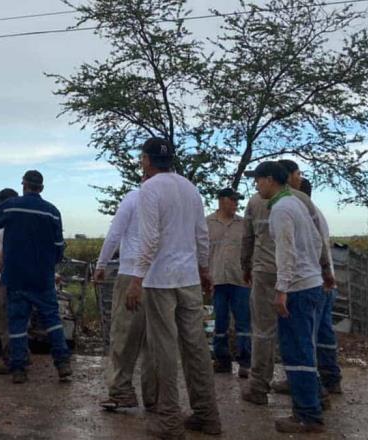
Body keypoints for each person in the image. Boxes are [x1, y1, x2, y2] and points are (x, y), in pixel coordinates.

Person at [127, 138, 221, 439]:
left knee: (164, 348)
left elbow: (150, 239)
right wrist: (204, 269)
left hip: (160, 280)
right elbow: (201, 235)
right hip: (188, 278)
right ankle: (208, 415)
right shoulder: (189, 188)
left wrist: (136, 279)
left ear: (147, 160)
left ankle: (169, 420)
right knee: (195, 346)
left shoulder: (149, 189)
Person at [241, 164, 333, 405]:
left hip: (267, 272)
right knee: (303, 335)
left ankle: (258, 386)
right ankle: (313, 389)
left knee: (263, 332)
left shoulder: (256, 203)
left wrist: (245, 266)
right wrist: (325, 268)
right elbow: (318, 238)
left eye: (259, 179)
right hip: (298, 277)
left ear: (270, 179)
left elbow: (247, 238)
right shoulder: (302, 199)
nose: (256, 184)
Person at [0, 170, 72, 384]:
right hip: (43, 278)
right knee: (52, 320)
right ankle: (62, 363)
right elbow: (59, 248)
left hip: (15, 277)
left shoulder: (12, 206)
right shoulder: (52, 212)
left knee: (17, 323)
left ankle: (19, 369)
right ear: (41, 188)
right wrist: (45, 265)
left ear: (23, 185)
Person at [94, 174, 157, 411]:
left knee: (124, 334)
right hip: (161, 278)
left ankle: (121, 391)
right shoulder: (176, 197)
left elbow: (115, 233)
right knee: (154, 339)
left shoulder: (134, 197)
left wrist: (101, 264)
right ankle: (155, 395)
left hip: (131, 272)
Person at [296, 176, 342, 394]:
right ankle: (331, 378)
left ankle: (311, 385)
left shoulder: (304, 214)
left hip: (313, 282)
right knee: (324, 334)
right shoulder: (318, 213)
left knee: (307, 337)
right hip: (325, 282)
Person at [207, 188, 252, 377]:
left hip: (239, 280)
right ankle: (222, 360)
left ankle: (245, 361)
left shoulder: (243, 224)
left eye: (237, 201)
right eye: (232, 200)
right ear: (221, 200)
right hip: (217, 280)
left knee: (243, 322)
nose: (235, 204)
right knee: (219, 322)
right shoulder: (207, 223)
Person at [0, 187, 19, 374]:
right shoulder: (12, 224)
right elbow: (2, 243)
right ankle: (20, 356)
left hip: (6, 278)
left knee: (6, 319)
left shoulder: (9, 223)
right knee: (17, 319)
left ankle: (11, 359)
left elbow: (6, 252)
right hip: (15, 277)